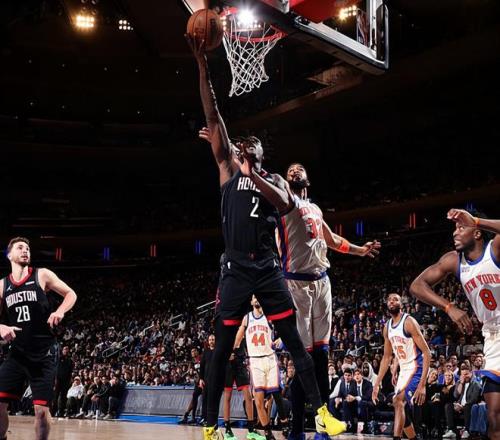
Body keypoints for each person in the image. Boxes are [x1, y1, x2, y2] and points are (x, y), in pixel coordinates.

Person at [187, 34, 346, 440]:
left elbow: (285, 203)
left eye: (253, 143)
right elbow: (212, 113)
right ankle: (210, 426)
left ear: (260, 154)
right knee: (221, 349)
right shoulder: (227, 170)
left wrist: (253, 173)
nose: (246, 143)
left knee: (294, 342)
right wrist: (203, 65)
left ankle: (322, 414)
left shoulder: (274, 180)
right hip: (236, 269)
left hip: (269, 270)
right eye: (242, 142)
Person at [276, 163, 380, 439]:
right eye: (290, 170)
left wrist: (360, 251)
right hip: (296, 284)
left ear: (307, 180)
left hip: (322, 282)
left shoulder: (315, 208)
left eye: (299, 168)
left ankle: (322, 428)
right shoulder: (283, 201)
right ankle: (296, 429)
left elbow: (332, 240)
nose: (294, 170)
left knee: (321, 358)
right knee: (303, 360)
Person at [410, 208, 500, 440]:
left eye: (461, 228)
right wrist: (448, 307)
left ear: (477, 233)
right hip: (493, 337)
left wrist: (477, 220)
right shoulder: (454, 260)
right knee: (494, 417)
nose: (455, 233)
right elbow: (417, 286)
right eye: (455, 228)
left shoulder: (494, 249)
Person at [0, 237, 77, 440]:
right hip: (17, 353)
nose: (25, 250)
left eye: (27, 248)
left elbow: (71, 294)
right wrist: (0, 327)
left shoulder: (41, 274)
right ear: (9, 255)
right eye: (20, 247)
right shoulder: (2, 285)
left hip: (44, 352)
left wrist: (60, 311)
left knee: (41, 411)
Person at [372, 293, 431, 440]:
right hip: (404, 370)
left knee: (398, 401)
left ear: (401, 304)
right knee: (401, 408)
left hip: (416, 368)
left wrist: (422, 384)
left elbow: (427, 352)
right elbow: (387, 357)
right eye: (389, 300)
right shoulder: (387, 327)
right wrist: (377, 383)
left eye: (395, 299)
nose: (392, 301)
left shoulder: (409, 322)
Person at [233, 296, 290, 440]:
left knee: (276, 394)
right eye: (254, 297)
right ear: (251, 302)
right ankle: (267, 432)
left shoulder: (270, 315)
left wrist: (281, 339)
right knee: (258, 400)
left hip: (270, 358)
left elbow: (285, 329)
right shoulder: (247, 318)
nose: (257, 299)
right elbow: (237, 340)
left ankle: (285, 423)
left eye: (259, 296)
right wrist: (230, 349)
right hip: (255, 361)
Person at [222, 344, 257, 440]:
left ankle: (251, 430)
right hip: (228, 365)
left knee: (248, 397)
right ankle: (227, 430)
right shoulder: (225, 334)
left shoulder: (242, 334)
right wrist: (225, 355)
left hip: (240, 364)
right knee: (227, 397)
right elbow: (220, 345)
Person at [443, 364, 481, 439]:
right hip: (459, 406)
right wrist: (461, 383)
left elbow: (473, 399)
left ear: (471, 373)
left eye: (466, 374)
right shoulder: (459, 383)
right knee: (448, 405)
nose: (464, 376)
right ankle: (451, 430)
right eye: (462, 374)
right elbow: (456, 395)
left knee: (468, 406)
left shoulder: (476, 384)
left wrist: (462, 407)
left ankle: (467, 430)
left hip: (469, 406)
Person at [53, 345, 73, 417]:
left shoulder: (70, 361)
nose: (66, 350)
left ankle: (61, 412)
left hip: (66, 381)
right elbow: (56, 370)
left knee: (63, 397)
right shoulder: (58, 358)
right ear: (62, 350)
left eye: (67, 349)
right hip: (58, 380)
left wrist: (70, 380)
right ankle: (52, 412)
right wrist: (55, 379)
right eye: (65, 349)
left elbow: (70, 371)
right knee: (55, 396)